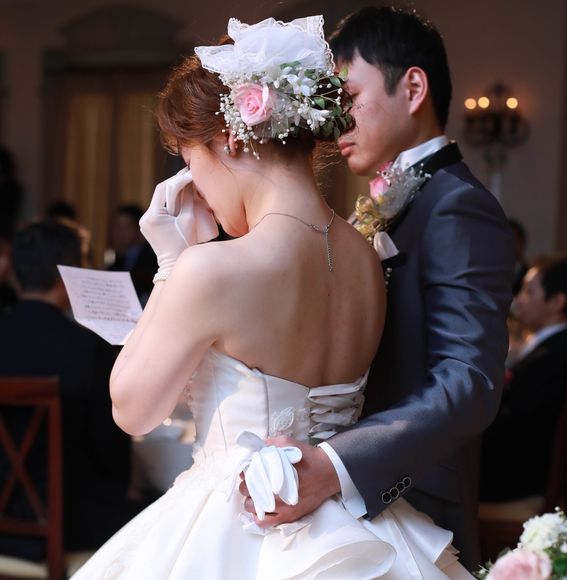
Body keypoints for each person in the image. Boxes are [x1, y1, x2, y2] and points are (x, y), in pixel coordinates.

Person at [72, 15, 472, 579]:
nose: (198, 189)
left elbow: (133, 410)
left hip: (239, 526)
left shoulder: (212, 269)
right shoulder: (367, 256)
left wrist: (172, 263)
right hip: (356, 524)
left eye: (191, 164)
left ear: (231, 139)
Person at [244, 6, 514, 571]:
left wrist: (336, 464)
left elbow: (468, 380)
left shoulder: (458, 205)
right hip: (346, 498)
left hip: (414, 499)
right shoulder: (386, 203)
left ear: (412, 88)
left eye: (350, 97)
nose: (336, 121)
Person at [0, 218, 144, 559]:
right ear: (70, 276)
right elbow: (113, 458)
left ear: (15, 273)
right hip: (69, 525)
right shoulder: (87, 349)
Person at [480, 257, 567, 502]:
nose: (519, 298)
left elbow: (515, 422)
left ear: (557, 302)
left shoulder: (558, 354)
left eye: (529, 290)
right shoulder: (551, 347)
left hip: (514, 479)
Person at [107, 204, 158, 305]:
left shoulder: (152, 259)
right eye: (117, 227)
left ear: (140, 229)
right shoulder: (116, 261)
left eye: (126, 227)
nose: (120, 234)